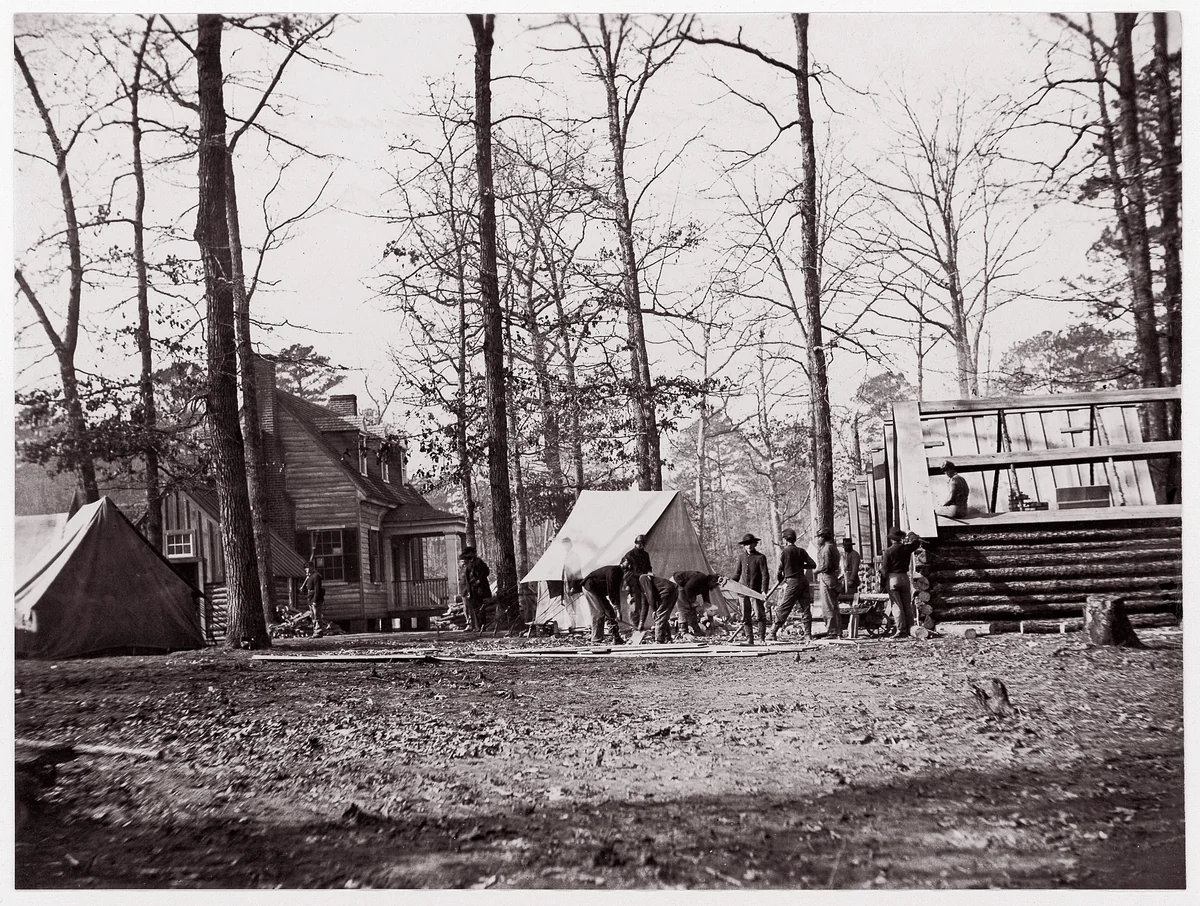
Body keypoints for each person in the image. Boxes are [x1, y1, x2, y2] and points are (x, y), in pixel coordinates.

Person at [770, 528, 817, 641]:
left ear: (786, 540)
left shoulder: (784, 552)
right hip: (803, 581)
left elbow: (779, 570)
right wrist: (800, 566)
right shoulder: (801, 551)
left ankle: (772, 633)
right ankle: (808, 635)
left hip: (792, 582)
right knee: (806, 608)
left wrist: (780, 578)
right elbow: (813, 565)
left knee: (784, 607)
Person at [732, 532, 770, 645]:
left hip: (755, 591)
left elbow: (765, 575)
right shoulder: (741, 557)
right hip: (742, 591)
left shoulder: (760, 557)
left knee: (760, 615)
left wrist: (764, 590)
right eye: (746, 544)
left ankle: (762, 638)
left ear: (755, 544)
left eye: (751, 544)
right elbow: (737, 574)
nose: (749, 546)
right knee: (745, 616)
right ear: (744, 545)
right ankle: (750, 639)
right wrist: (728, 582)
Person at [879, 527, 917, 638]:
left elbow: (884, 569)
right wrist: (911, 534)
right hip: (905, 577)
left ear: (891, 539)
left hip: (893, 578)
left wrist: (883, 582)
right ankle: (911, 627)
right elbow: (916, 542)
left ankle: (901, 630)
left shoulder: (888, 551)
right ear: (900, 538)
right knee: (907, 605)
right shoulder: (907, 548)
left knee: (897, 606)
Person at [580, 564, 626, 644]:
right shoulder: (614, 572)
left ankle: (617, 638)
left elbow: (615, 593)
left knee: (610, 613)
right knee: (599, 613)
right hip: (590, 588)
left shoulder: (619, 574)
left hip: (598, 591)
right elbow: (612, 591)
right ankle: (596, 640)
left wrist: (617, 609)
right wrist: (618, 609)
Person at [670, 570, 721, 637]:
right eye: (715, 584)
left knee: (692, 609)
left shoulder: (706, 587)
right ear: (712, 581)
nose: (715, 587)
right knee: (684, 606)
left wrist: (710, 619)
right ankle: (683, 631)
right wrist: (693, 602)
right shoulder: (699, 578)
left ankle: (696, 630)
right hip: (678, 582)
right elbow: (687, 588)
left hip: (686, 588)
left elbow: (707, 602)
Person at [620, 534, 653, 631]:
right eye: (639, 544)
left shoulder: (645, 555)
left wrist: (650, 573)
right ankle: (634, 626)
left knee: (644, 603)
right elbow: (624, 570)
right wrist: (628, 585)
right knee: (634, 605)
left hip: (643, 582)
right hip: (632, 582)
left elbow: (648, 567)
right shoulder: (629, 555)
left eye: (643, 544)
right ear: (636, 543)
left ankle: (640, 625)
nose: (641, 546)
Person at [814, 528, 842, 639]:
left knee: (828, 606)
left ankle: (832, 631)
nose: (818, 540)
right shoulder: (834, 548)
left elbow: (825, 566)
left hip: (827, 578)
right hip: (833, 577)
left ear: (823, 537)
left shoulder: (826, 549)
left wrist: (816, 571)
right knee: (834, 606)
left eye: (819, 537)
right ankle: (837, 630)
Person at [639, 572, 680, 644]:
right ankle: (668, 639)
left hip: (668, 592)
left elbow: (650, 594)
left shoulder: (643, 578)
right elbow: (645, 605)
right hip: (671, 591)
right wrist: (641, 622)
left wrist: (654, 609)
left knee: (659, 616)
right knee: (663, 617)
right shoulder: (643, 588)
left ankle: (659, 640)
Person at [459, 546, 492, 632]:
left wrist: (479, 580)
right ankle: (477, 626)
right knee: (475, 608)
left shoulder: (478, 562)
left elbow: (485, 572)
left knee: (480, 608)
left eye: (468, 553)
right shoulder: (469, 563)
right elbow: (467, 579)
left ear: (472, 553)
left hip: (478, 589)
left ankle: (482, 626)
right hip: (472, 589)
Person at [300, 562, 325, 638]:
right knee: (313, 616)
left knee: (317, 615)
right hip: (310, 598)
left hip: (316, 598)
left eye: (307, 568)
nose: (306, 570)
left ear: (311, 567)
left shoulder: (316, 576)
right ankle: (315, 631)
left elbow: (317, 589)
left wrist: (315, 600)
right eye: (305, 568)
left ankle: (319, 631)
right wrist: (303, 589)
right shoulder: (309, 577)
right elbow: (308, 588)